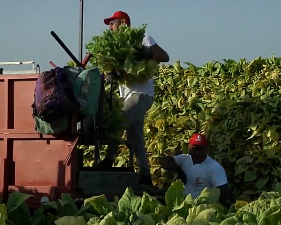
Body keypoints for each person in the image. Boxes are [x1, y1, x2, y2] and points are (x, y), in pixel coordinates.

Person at [98, 11, 170, 186]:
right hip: (130, 95)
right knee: (135, 135)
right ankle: (145, 177)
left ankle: (107, 162)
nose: (110, 27)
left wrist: (145, 52)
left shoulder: (142, 37)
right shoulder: (119, 47)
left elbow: (164, 56)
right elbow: (117, 74)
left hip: (141, 95)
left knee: (118, 121)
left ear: (123, 22)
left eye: (112, 23)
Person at [159, 133, 230, 207]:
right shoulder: (184, 159)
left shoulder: (214, 167)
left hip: (201, 209)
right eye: (195, 148)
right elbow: (163, 161)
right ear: (189, 148)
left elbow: (223, 190)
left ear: (206, 149)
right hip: (182, 206)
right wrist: (177, 169)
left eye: (201, 148)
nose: (197, 152)